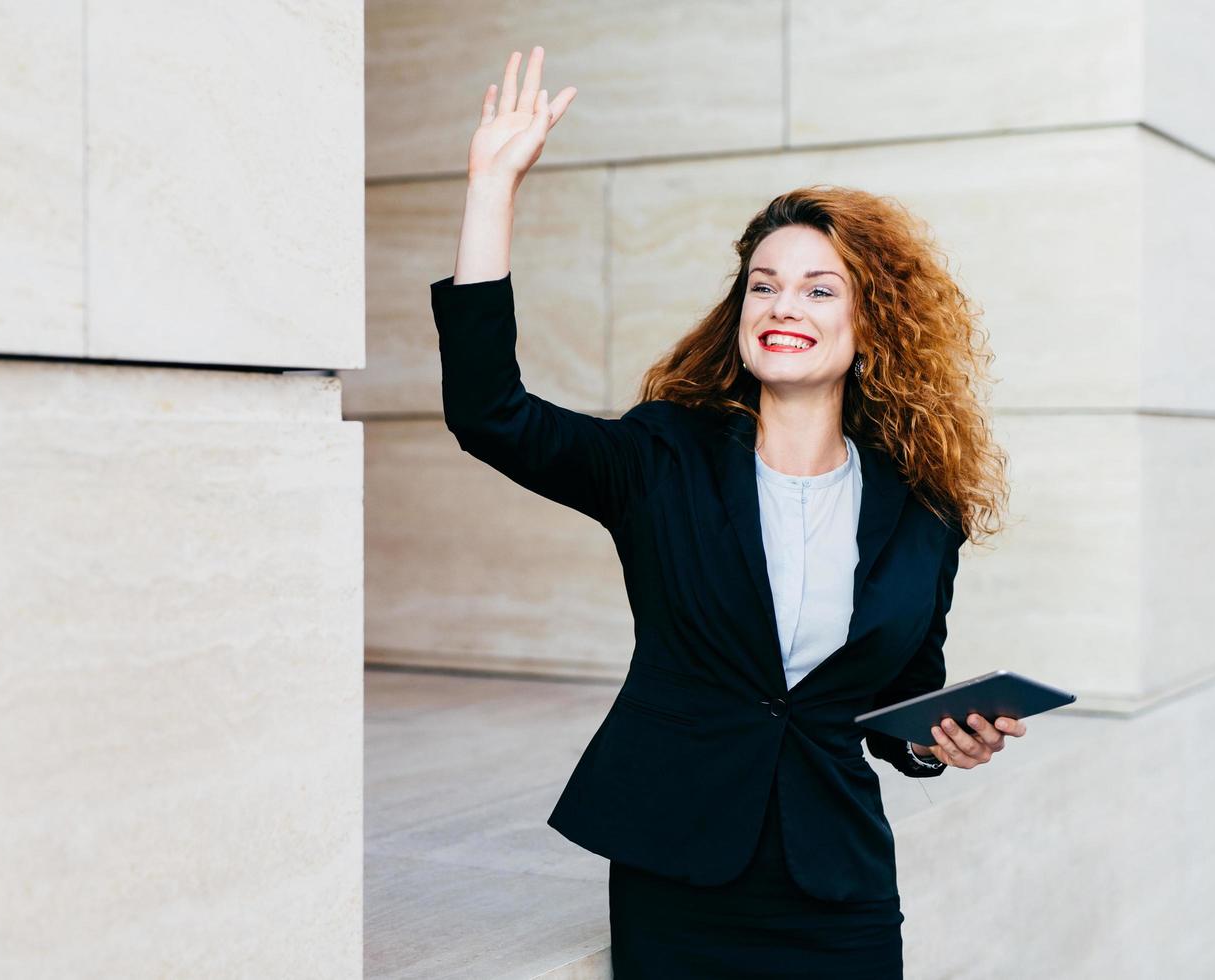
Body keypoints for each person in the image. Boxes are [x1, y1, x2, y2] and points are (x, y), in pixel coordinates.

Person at [430, 46, 1027, 978]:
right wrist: (490, 189)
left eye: (820, 289)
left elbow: (892, 705)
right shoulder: (664, 456)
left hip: (841, 887)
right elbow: (489, 414)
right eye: (764, 283)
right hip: (682, 873)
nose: (783, 303)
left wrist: (942, 741)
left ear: (871, 327)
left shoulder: (922, 512)